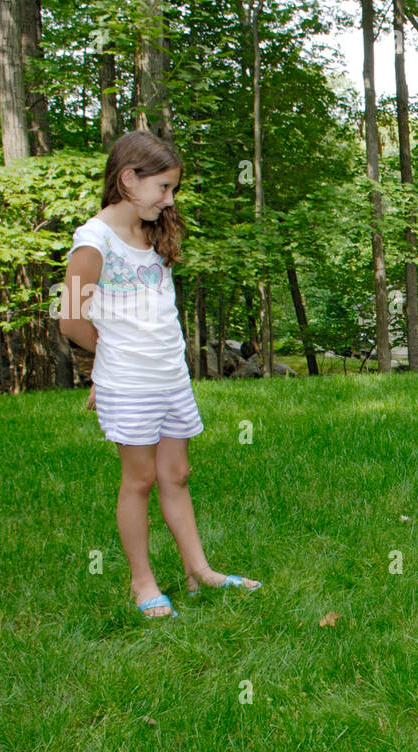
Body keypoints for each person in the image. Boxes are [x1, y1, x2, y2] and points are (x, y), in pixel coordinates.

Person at [59, 130, 261, 619]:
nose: (169, 199)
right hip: (128, 384)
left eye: (173, 189)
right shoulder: (93, 242)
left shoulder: (152, 231)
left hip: (172, 378)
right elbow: (69, 319)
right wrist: (108, 366)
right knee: (141, 480)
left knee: (177, 474)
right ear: (128, 179)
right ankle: (142, 582)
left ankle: (199, 571)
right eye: (164, 188)